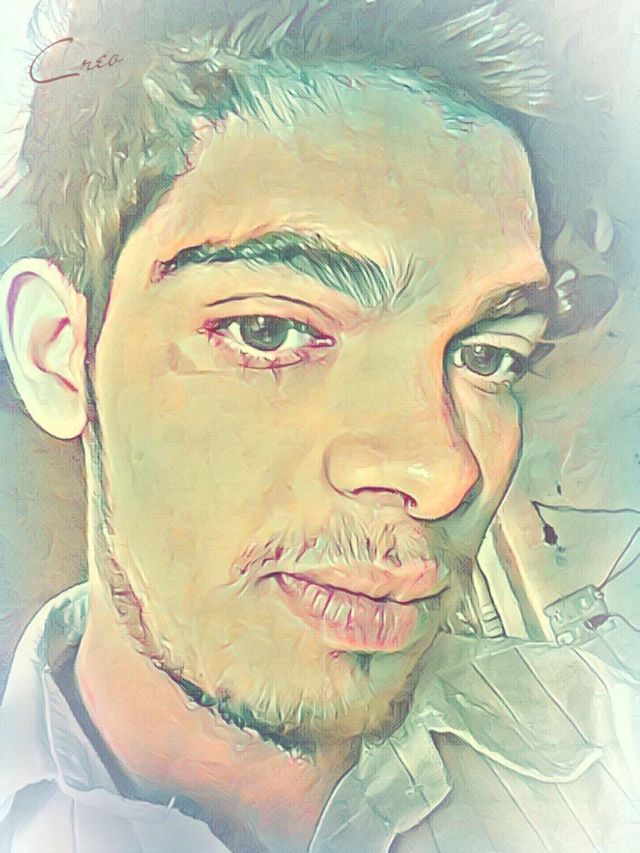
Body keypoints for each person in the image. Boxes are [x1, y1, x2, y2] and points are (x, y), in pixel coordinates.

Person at [0, 1, 638, 850]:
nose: (443, 470)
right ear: (57, 354)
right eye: (270, 332)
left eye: (488, 355)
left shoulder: (613, 749)